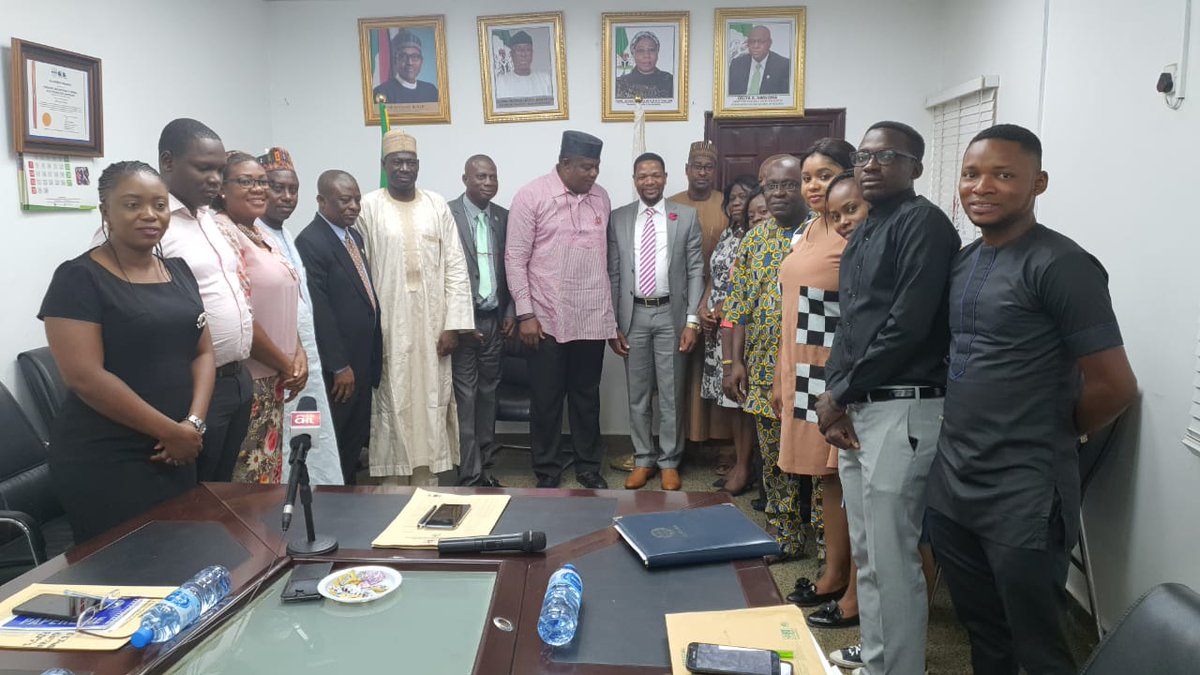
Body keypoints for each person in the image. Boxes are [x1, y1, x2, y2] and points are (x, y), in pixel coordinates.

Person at [926, 125, 1137, 675]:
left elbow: (1116, 384)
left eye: (1003, 174)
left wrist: (1054, 431)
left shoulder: (1062, 264)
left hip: (1023, 490)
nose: (982, 186)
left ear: (1038, 182)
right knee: (984, 634)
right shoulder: (966, 260)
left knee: (1037, 645)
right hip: (954, 484)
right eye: (971, 174)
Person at [815, 121, 961, 675]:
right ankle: (878, 661)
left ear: (915, 168)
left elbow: (906, 326)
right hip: (861, 408)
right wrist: (835, 398)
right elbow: (850, 325)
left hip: (905, 405)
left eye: (886, 156)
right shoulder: (869, 227)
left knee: (894, 557)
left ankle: (900, 669)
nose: (870, 166)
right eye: (864, 158)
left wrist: (842, 393)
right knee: (870, 554)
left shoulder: (924, 224)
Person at [41, 161, 213, 541]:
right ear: (106, 212)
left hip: (177, 450)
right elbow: (85, 377)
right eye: (133, 205)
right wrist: (171, 431)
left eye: (159, 204)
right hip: (108, 458)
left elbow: (202, 352)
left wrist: (192, 425)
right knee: (125, 580)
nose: (149, 215)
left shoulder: (180, 271)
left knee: (182, 556)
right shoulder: (78, 278)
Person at [768, 142, 860, 633]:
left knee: (848, 480)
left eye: (824, 175)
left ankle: (853, 592)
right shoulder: (811, 229)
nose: (812, 186)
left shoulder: (854, 230)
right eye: (807, 177)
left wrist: (837, 390)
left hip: (835, 374)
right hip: (802, 369)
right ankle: (831, 574)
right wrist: (784, 379)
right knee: (827, 478)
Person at [357, 129, 473, 485]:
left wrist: (453, 325)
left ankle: (429, 478)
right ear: (384, 165)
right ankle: (392, 480)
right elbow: (359, 271)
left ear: (418, 166)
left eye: (410, 162)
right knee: (393, 395)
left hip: (433, 325)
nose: (404, 168)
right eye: (397, 162)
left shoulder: (436, 205)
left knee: (433, 396)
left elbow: (455, 265)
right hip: (389, 324)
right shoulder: (367, 207)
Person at [148, 119, 254, 483]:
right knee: (191, 497)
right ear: (168, 162)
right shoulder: (150, 225)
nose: (215, 179)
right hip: (191, 388)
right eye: (203, 168)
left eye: (220, 170)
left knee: (221, 490)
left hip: (237, 378)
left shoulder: (209, 218)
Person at [506, 131, 613, 490]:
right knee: (547, 401)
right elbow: (515, 258)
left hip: (591, 317)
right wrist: (525, 314)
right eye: (586, 167)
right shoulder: (531, 196)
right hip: (546, 319)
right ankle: (548, 470)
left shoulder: (601, 198)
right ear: (564, 163)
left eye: (596, 167)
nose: (593, 174)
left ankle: (587, 466)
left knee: (586, 399)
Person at [722, 155, 809, 560]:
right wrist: (732, 362)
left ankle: (829, 547)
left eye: (789, 184)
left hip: (812, 368)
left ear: (806, 186)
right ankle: (787, 534)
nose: (778, 193)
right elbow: (736, 306)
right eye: (771, 185)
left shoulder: (822, 233)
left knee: (816, 462)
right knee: (774, 459)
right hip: (759, 367)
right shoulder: (754, 240)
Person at [607, 152, 703, 491]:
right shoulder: (618, 218)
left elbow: (695, 271)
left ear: (665, 177)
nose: (649, 181)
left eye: (655, 175)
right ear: (634, 180)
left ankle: (669, 461)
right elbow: (614, 273)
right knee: (638, 393)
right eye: (642, 176)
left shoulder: (685, 217)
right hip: (633, 315)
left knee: (671, 392)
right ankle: (643, 458)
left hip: (671, 315)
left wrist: (692, 321)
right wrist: (613, 324)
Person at [214, 152, 306, 484]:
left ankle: (264, 536)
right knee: (247, 482)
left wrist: (298, 353)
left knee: (267, 476)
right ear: (221, 188)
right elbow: (239, 314)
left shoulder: (262, 233)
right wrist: (285, 363)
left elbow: (284, 299)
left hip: (275, 378)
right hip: (249, 380)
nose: (258, 189)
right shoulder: (222, 232)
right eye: (246, 181)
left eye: (261, 181)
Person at [255, 147, 343, 485]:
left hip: (308, 362)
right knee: (284, 439)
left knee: (310, 431)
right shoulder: (253, 234)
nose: (287, 196)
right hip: (277, 363)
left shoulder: (285, 234)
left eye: (293, 189)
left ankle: (316, 492)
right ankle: (291, 498)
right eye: (277, 187)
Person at [296, 170, 383, 485]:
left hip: (361, 358)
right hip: (340, 367)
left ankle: (350, 498)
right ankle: (335, 504)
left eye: (357, 199)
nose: (354, 207)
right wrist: (339, 365)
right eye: (344, 200)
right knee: (338, 438)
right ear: (321, 200)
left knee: (354, 438)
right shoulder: (310, 241)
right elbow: (320, 311)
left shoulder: (353, 236)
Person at [448, 155, 513, 487]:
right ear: (465, 178)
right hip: (463, 326)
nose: (488, 183)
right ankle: (469, 473)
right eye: (481, 177)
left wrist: (510, 313)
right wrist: (458, 322)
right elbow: (440, 272)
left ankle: (484, 464)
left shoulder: (503, 217)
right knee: (466, 397)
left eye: (493, 176)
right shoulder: (446, 215)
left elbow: (514, 269)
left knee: (489, 395)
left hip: (494, 322)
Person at [670, 141, 733, 463]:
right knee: (684, 374)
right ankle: (685, 443)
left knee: (719, 369)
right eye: (697, 165)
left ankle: (723, 444)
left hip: (720, 301)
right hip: (681, 300)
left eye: (708, 166)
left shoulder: (728, 204)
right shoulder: (672, 205)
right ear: (686, 169)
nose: (702, 172)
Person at [699, 175, 759, 495]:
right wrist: (704, 309)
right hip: (717, 328)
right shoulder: (727, 234)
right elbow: (714, 277)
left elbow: (748, 285)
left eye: (743, 197)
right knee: (730, 401)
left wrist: (726, 305)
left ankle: (746, 467)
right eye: (732, 198)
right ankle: (740, 462)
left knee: (742, 398)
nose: (737, 203)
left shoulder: (755, 234)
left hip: (740, 328)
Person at [373, 30, 439, 104]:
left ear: (421, 61)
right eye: (403, 57)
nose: (410, 63)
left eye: (414, 57)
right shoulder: (382, 92)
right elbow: (382, 116)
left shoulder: (431, 91)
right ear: (395, 61)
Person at [727, 25, 791, 95]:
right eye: (752, 41)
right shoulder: (737, 64)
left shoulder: (784, 66)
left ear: (769, 43)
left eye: (761, 41)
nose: (755, 46)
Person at [494, 31, 554, 103]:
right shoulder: (501, 82)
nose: (523, 54)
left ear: (532, 53)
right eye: (519, 50)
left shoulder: (545, 80)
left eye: (527, 50)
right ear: (511, 54)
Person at [615, 31, 673, 100]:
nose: (646, 55)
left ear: (657, 53)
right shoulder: (620, 84)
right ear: (633, 54)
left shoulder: (670, 81)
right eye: (641, 50)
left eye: (651, 50)